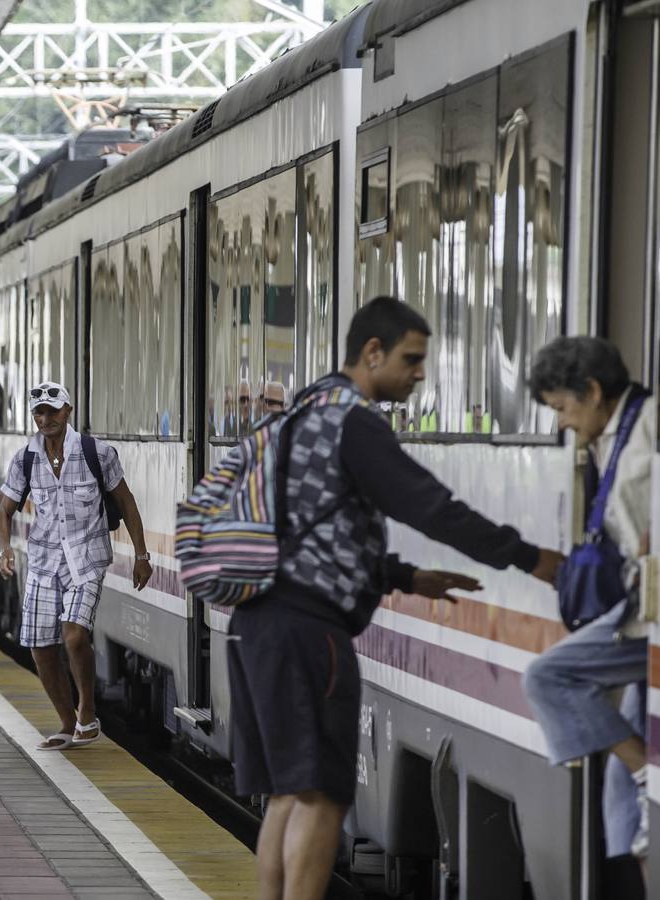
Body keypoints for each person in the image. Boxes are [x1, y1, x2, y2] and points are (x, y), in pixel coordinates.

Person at [225, 297, 561, 900]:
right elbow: (429, 505)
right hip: (308, 630)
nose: (419, 374)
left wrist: (405, 576)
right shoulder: (354, 421)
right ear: (372, 353)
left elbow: (308, 531)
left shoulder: (302, 410)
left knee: (285, 792)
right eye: (411, 359)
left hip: (258, 620)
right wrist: (530, 558)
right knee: (323, 797)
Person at [521, 336, 653, 865]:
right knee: (620, 790)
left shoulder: (649, 428)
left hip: (648, 614)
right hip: (642, 607)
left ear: (594, 391)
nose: (561, 423)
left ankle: (649, 772)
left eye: (562, 408)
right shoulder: (611, 433)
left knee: (550, 676)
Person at [0, 381, 153, 750]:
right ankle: (67, 724)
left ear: (68, 411)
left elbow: (126, 502)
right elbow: (4, 511)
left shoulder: (97, 452)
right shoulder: (25, 459)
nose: (46, 418)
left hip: (87, 558)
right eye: (40, 412)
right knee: (39, 645)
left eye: (53, 410)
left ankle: (87, 710)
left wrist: (142, 556)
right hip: (44, 561)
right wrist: (4, 550)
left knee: (74, 634)